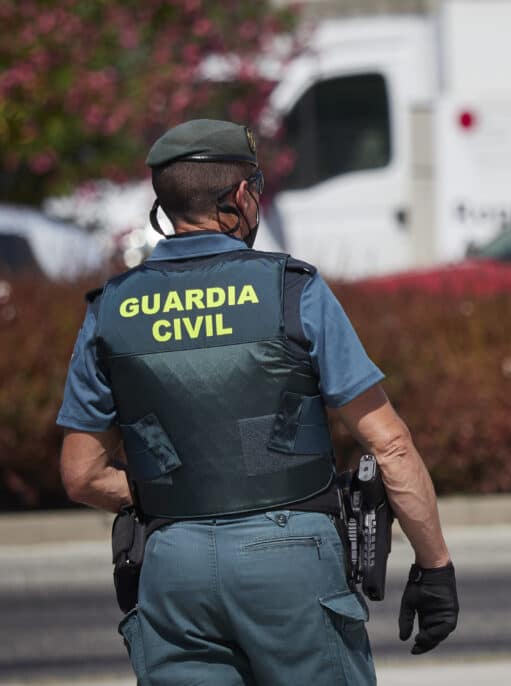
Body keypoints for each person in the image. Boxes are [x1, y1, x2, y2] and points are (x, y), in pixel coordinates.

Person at [57, 119, 458, 686]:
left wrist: (186, 489)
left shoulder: (109, 310)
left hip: (173, 567)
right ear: (242, 196)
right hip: (291, 559)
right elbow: (389, 443)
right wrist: (434, 565)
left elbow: (81, 475)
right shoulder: (293, 289)